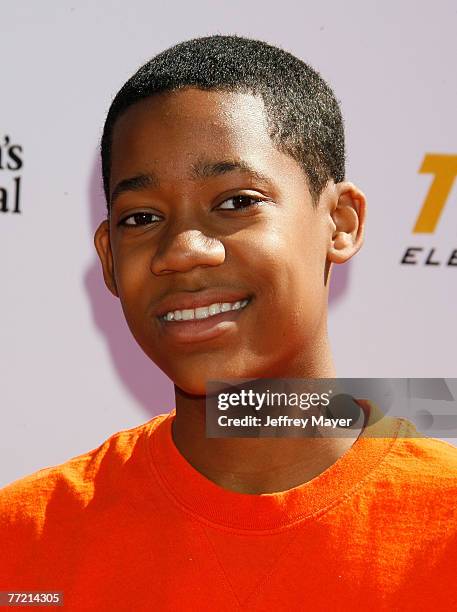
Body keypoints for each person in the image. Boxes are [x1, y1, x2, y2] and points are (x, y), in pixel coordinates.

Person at [1, 35, 456, 612]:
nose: (183, 249)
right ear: (110, 259)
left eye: (237, 202)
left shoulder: (445, 524)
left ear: (340, 223)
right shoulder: (23, 540)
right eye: (142, 217)